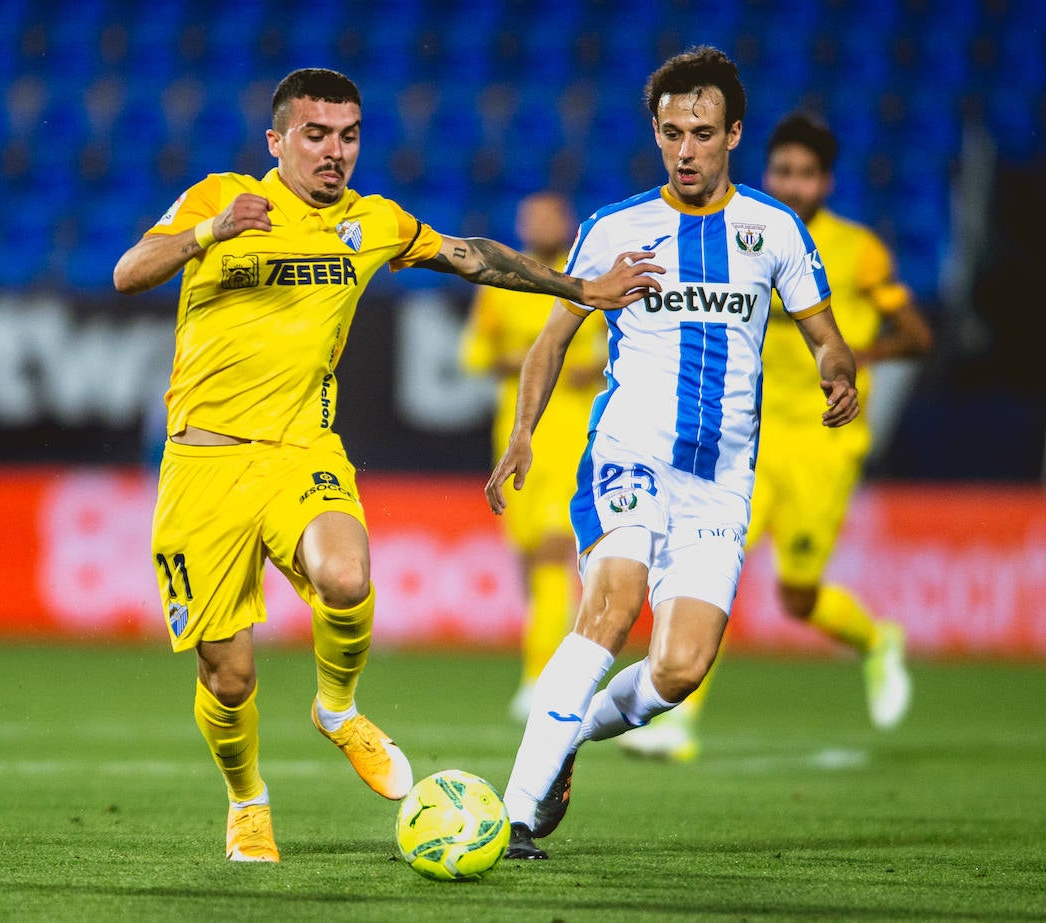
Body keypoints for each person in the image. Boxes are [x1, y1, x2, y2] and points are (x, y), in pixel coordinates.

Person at [112, 67, 658, 863]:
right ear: (277, 141)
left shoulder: (374, 221)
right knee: (228, 678)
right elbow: (130, 272)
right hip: (204, 463)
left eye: (349, 135)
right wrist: (209, 233)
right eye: (315, 135)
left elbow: (474, 258)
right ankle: (247, 798)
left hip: (303, 450)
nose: (335, 152)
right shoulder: (220, 197)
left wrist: (583, 286)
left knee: (347, 576)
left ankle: (338, 710)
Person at [485, 46, 861, 860]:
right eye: (670, 132)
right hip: (629, 454)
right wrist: (523, 431)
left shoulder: (773, 231)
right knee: (612, 602)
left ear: (732, 134)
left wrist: (839, 373)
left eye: (700, 131)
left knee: (680, 669)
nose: (685, 149)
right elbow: (553, 339)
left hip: (721, 482)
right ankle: (513, 816)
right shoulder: (616, 228)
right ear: (655, 134)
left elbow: (827, 337)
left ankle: (562, 741)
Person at [618, 113, 933, 762]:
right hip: (745, 437)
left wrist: (849, 352)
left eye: (805, 174)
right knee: (712, 570)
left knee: (797, 593)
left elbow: (918, 336)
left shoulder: (857, 250)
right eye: (782, 171)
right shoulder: (744, 236)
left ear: (826, 182)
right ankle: (677, 718)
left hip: (823, 440)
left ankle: (876, 640)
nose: (792, 185)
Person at [459, 192, 608, 721]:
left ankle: (540, 678)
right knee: (530, 562)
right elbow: (475, 353)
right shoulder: (502, 281)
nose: (541, 224)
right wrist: (532, 361)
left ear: (567, 222)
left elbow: (624, 342)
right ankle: (552, 661)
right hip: (518, 435)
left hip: (576, 434)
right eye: (532, 216)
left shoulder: (590, 276)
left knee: (552, 552)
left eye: (551, 215)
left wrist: (597, 366)